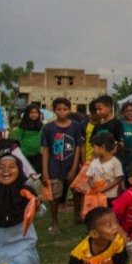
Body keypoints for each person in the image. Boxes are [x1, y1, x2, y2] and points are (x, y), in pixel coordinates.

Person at [41, 97, 83, 234]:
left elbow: (77, 147)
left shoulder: (76, 126)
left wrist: (74, 167)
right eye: (59, 109)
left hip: (71, 166)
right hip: (54, 167)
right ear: (54, 110)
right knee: (54, 196)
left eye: (65, 109)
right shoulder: (48, 128)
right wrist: (45, 171)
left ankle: (77, 216)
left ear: (69, 110)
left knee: (76, 192)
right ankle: (54, 222)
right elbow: (46, 149)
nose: (62, 112)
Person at [86, 134, 124, 208]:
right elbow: (89, 177)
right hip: (97, 196)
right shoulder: (94, 162)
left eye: (94, 147)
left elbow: (119, 178)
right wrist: (91, 183)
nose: (93, 149)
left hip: (111, 196)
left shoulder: (115, 162)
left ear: (102, 147)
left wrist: (104, 189)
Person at [12, 104, 44, 174]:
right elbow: (18, 139)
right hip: (25, 154)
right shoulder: (22, 125)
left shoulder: (41, 125)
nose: (34, 115)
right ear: (27, 113)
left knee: (37, 173)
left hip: (37, 155)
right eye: (31, 112)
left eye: (36, 113)